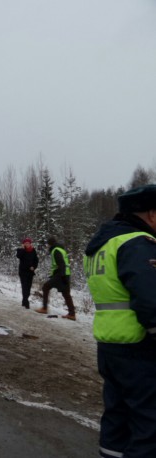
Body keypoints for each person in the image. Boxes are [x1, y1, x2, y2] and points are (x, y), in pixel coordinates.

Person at [83, 184, 156, 458]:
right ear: (151, 213)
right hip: (140, 347)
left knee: (117, 418)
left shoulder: (101, 244)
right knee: (149, 425)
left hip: (110, 344)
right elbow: (151, 298)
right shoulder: (138, 243)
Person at [35, 236, 76, 319]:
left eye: (47, 245)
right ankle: (72, 314)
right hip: (65, 274)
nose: (47, 247)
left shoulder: (55, 250)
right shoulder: (61, 249)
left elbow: (61, 264)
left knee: (46, 287)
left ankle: (44, 308)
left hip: (61, 275)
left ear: (49, 244)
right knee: (66, 294)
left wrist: (62, 276)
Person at [16, 237, 39, 308]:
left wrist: (34, 267)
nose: (27, 244)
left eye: (28, 243)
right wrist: (23, 249)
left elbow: (36, 260)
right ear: (23, 244)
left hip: (30, 272)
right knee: (24, 286)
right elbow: (18, 256)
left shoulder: (33, 251)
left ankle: (24, 300)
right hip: (23, 272)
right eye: (25, 243)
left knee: (28, 287)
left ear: (30, 244)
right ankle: (26, 302)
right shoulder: (20, 250)